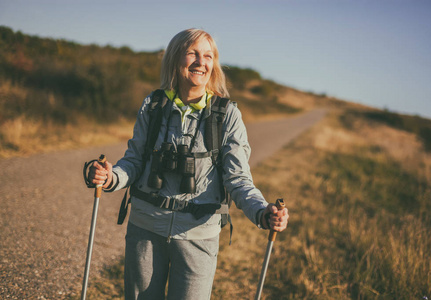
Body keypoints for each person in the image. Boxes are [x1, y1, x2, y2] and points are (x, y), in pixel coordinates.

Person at [88, 28, 289, 300]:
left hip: (198, 236)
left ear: (213, 64)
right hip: (146, 228)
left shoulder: (227, 115)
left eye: (208, 56)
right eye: (192, 53)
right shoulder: (154, 105)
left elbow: (238, 180)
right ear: (175, 59)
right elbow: (133, 161)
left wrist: (262, 212)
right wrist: (109, 177)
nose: (200, 62)